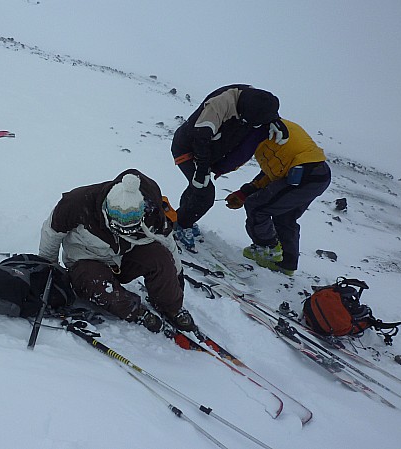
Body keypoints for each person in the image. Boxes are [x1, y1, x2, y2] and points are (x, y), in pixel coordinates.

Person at [38, 169, 196, 333]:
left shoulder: (152, 210)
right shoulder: (77, 203)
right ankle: (134, 310)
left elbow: (168, 242)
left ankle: (169, 307)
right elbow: (51, 233)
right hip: (88, 261)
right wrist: (49, 269)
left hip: (125, 258)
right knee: (92, 280)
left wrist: (176, 279)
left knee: (160, 256)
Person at [170, 84, 289, 252]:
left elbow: (264, 108)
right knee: (205, 193)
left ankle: (182, 218)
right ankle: (180, 225)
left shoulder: (254, 99)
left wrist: (274, 120)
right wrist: (202, 169)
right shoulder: (221, 103)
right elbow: (201, 136)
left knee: (197, 188)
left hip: (209, 151)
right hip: (188, 148)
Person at [221, 119, 331, 276]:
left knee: (256, 206)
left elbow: (238, 160)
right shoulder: (273, 127)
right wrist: (244, 192)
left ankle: (268, 248)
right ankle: (287, 263)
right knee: (285, 217)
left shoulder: (258, 131)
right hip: (319, 174)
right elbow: (272, 172)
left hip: (302, 174)